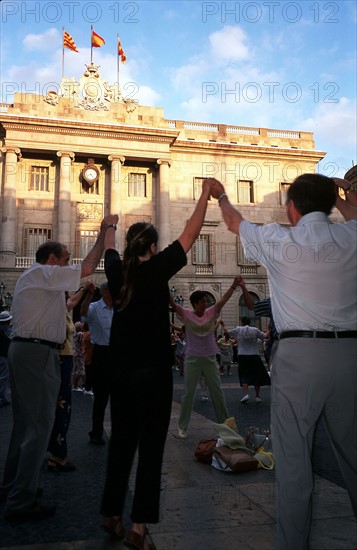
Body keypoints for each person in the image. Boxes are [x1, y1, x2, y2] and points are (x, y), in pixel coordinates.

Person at [210, 174, 357, 550]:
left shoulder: (279, 238)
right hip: (350, 357)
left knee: (293, 466)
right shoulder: (351, 235)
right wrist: (339, 196)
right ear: (328, 206)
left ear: (291, 209)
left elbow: (232, 221)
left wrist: (222, 194)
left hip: (299, 356)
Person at [100, 180, 213, 548]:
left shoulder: (117, 271)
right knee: (150, 449)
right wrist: (203, 195)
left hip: (119, 371)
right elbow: (190, 234)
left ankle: (111, 513)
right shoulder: (158, 268)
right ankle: (139, 527)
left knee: (120, 444)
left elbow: (109, 248)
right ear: (152, 247)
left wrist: (110, 224)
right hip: (153, 373)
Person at [1, 214, 115, 523]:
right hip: (37, 353)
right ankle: (21, 500)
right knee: (38, 426)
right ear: (52, 259)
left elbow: (65, 308)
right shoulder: (42, 273)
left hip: (29, 350)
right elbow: (88, 267)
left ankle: (14, 486)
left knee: (25, 424)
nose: (68, 266)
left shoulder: (39, 282)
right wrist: (106, 233)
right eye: (65, 260)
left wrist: (82, 294)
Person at [172, 278, 241, 439]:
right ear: (195, 304)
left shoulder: (211, 312)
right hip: (192, 359)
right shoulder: (187, 314)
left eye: (205, 301)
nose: (205, 304)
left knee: (217, 392)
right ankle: (182, 427)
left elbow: (224, 299)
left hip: (210, 357)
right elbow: (173, 304)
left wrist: (233, 285)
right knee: (188, 394)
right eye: (202, 302)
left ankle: (226, 426)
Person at [47, 285, 91, 472]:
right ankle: (57, 456)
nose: (68, 297)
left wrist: (84, 289)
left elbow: (72, 302)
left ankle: (55, 451)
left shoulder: (62, 308)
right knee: (61, 407)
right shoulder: (54, 310)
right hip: (60, 360)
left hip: (65, 360)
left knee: (61, 408)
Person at [80, 281, 113, 446]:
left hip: (118, 355)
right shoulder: (94, 307)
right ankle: (96, 432)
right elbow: (83, 314)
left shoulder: (119, 308)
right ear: (106, 292)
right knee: (101, 399)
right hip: (101, 354)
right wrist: (89, 295)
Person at [224, 316, 269, 403]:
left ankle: (246, 394)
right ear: (250, 322)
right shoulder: (255, 330)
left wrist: (224, 325)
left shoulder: (238, 329)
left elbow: (226, 332)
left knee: (244, 375)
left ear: (242, 322)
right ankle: (257, 396)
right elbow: (265, 336)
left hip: (242, 354)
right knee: (256, 375)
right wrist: (267, 329)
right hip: (254, 354)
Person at [236, 276, 279, 367]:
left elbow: (252, 306)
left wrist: (243, 287)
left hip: (279, 344)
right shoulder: (275, 302)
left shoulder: (275, 302)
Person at [0, 311, 12, 407]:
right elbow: (13, 337)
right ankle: (2, 398)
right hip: (3, 356)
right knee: (3, 377)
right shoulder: (7, 330)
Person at [72, 321, 86, 391]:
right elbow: (81, 344)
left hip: (75, 354)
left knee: (76, 370)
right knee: (81, 371)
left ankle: (76, 385)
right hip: (79, 354)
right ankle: (78, 386)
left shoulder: (75, 334)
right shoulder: (80, 334)